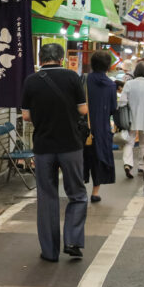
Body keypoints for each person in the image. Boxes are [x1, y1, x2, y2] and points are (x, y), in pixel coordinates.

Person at [21, 43, 88, 262]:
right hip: (70, 146)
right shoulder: (72, 77)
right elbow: (83, 109)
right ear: (61, 58)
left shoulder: (31, 80)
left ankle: (50, 252)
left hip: (43, 147)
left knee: (47, 197)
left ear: (41, 58)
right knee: (77, 194)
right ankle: (72, 241)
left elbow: (26, 116)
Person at [83, 50, 117, 202]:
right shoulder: (111, 85)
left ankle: (80, 189)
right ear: (108, 66)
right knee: (99, 158)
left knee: (82, 157)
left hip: (83, 127)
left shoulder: (84, 80)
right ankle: (95, 193)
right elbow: (112, 108)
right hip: (102, 128)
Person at [121, 61, 144, 179]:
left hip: (131, 117)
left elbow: (122, 102)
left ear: (136, 72)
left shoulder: (129, 84)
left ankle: (128, 164)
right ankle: (142, 166)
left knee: (129, 141)